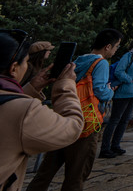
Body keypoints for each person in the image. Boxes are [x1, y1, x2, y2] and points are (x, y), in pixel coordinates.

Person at [26, 28, 122, 191]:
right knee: (76, 175)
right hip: (86, 122)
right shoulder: (101, 63)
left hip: (65, 117)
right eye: (116, 46)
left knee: (46, 171)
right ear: (108, 47)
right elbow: (99, 90)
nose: (116, 50)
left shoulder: (79, 59)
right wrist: (110, 90)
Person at [0, 30, 83, 191]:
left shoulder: (16, 107)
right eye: (25, 62)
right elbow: (72, 128)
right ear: (13, 68)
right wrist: (65, 86)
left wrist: (31, 89)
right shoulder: (25, 111)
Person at [99, 35, 133, 158]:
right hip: (123, 93)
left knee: (125, 120)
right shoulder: (129, 56)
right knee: (115, 120)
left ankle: (115, 145)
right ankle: (105, 148)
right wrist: (129, 80)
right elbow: (119, 71)